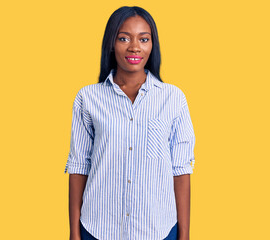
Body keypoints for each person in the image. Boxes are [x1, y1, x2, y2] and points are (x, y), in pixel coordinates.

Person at [64, 6, 196, 240]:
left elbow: (181, 170)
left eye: (143, 39)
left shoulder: (173, 99)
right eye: (124, 38)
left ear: (152, 45)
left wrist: (184, 236)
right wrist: (74, 234)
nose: (135, 47)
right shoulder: (88, 98)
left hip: (158, 230)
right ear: (111, 43)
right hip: (98, 228)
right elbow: (78, 167)